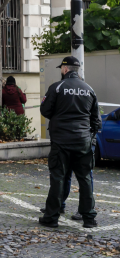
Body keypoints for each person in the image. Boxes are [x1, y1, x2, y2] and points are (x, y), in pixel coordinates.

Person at [39, 56, 100, 229]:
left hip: (61, 141)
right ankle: (89, 218)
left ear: (65, 69)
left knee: (58, 178)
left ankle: (51, 217)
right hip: (83, 141)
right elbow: (96, 120)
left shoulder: (57, 87)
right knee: (85, 178)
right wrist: (88, 136)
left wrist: (59, 117)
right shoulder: (89, 89)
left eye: (61, 68)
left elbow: (45, 110)